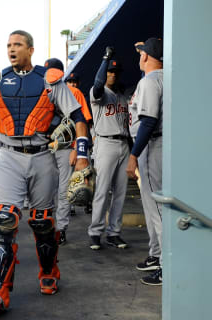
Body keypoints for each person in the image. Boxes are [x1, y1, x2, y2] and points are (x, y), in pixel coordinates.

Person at [0, 30, 90, 314]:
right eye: (9, 44)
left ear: (30, 50)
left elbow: (78, 117)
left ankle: (49, 271)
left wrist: (82, 155)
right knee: (3, 219)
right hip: (9, 155)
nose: (12, 49)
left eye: (18, 45)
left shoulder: (49, 80)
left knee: (42, 221)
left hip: (42, 155)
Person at [126, 38, 163, 286]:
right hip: (160, 144)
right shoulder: (167, 77)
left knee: (158, 208)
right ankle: (157, 255)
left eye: (141, 53)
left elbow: (148, 121)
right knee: (153, 208)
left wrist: (133, 155)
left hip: (154, 144)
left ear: (147, 57)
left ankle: (168, 265)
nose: (139, 56)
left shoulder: (150, 80)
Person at [44, 58, 92, 245]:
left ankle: (60, 228)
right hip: (45, 147)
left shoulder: (73, 92)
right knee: (46, 190)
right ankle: (48, 226)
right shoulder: (41, 91)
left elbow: (83, 121)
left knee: (63, 190)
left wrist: (76, 149)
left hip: (65, 148)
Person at [87, 47, 130, 250]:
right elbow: (97, 84)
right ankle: (95, 233)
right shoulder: (99, 92)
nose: (111, 75)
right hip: (105, 143)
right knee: (102, 191)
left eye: (114, 72)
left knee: (120, 193)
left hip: (123, 144)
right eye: (109, 72)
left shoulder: (122, 96)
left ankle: (114, 233)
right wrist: (105, 59)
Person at [64, 72, 94, 215]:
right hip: (72, 143)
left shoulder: (73, 94)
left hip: (72, 143)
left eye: (74, 81)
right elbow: (85, 120)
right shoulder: (73, 94)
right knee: (80, 175)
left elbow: (86, 120)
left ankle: (81, 204)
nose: (73, 84)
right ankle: (76, 205)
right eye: (70, 81)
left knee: (77, 176)